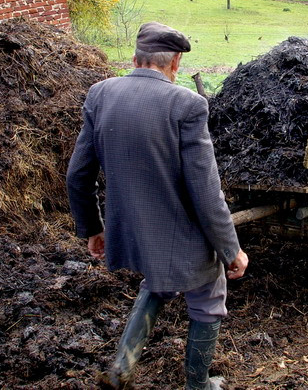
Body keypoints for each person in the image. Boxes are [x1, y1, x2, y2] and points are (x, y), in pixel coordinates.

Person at [66, 21, 249, 390]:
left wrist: (93, 228)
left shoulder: (100, 94)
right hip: (180, 235)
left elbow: (77, 176)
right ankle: (198, 385)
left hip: (132, 231)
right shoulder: (187, 105)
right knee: (209, 294)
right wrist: (230, 251)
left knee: (158, 281)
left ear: (136, 58)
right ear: (176, 63)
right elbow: (206, 191)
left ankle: (121, 369)